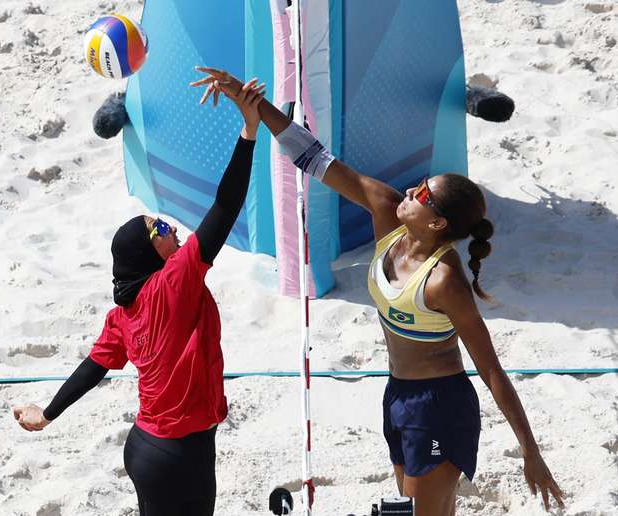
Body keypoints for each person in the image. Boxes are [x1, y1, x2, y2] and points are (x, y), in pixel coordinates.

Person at [191, 67, 565, 515]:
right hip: (398, 396)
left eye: (423, 194)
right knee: (418, 509)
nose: (412, 189)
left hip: (441, 404)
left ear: (438, 224)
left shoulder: (445, 280)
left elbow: (492, 371)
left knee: (418, 512)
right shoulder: (388, 212)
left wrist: (530, 450)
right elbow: (314, 158)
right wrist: (251, 104)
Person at [13, 79, 266, 516]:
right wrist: (249, 131)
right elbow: (225, 207)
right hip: (179, 454)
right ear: (150, 253)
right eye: (159, 229)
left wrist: (48, 413)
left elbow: (93, 368)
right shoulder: (175, 281)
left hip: (147, 449)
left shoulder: (123, 314)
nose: (169, 228)